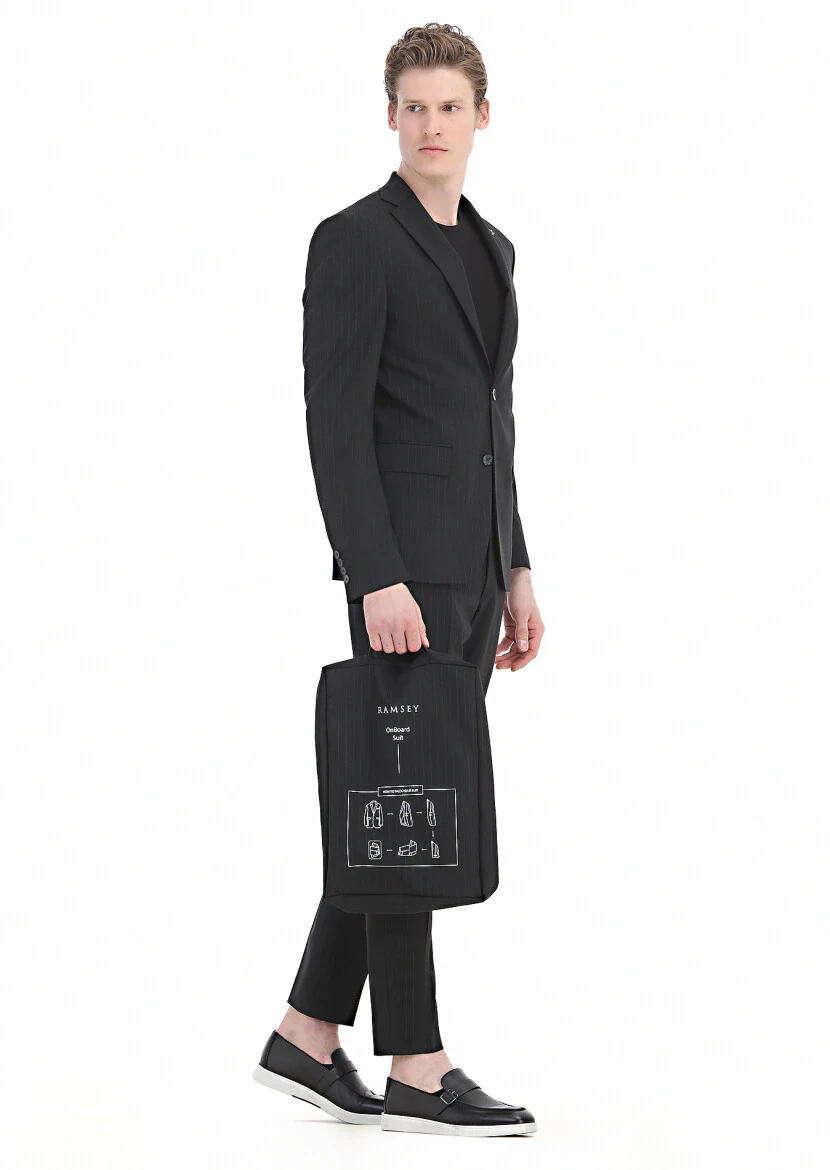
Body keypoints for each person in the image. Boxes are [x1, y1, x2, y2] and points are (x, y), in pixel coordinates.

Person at [253, 23, 544, 1138]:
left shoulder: (493, 249)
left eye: (449, 107)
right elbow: (333, 423)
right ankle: (418, 1064)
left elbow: (490, 428)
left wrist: (517, 563)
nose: (431, 126)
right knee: (406, 810)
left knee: (399, 805)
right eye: (413, 107)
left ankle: (305, 1032)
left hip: (473, 567)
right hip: (402, 577)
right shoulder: (354, 241)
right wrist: (375, 574)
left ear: (481, 117)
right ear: (390, 117)